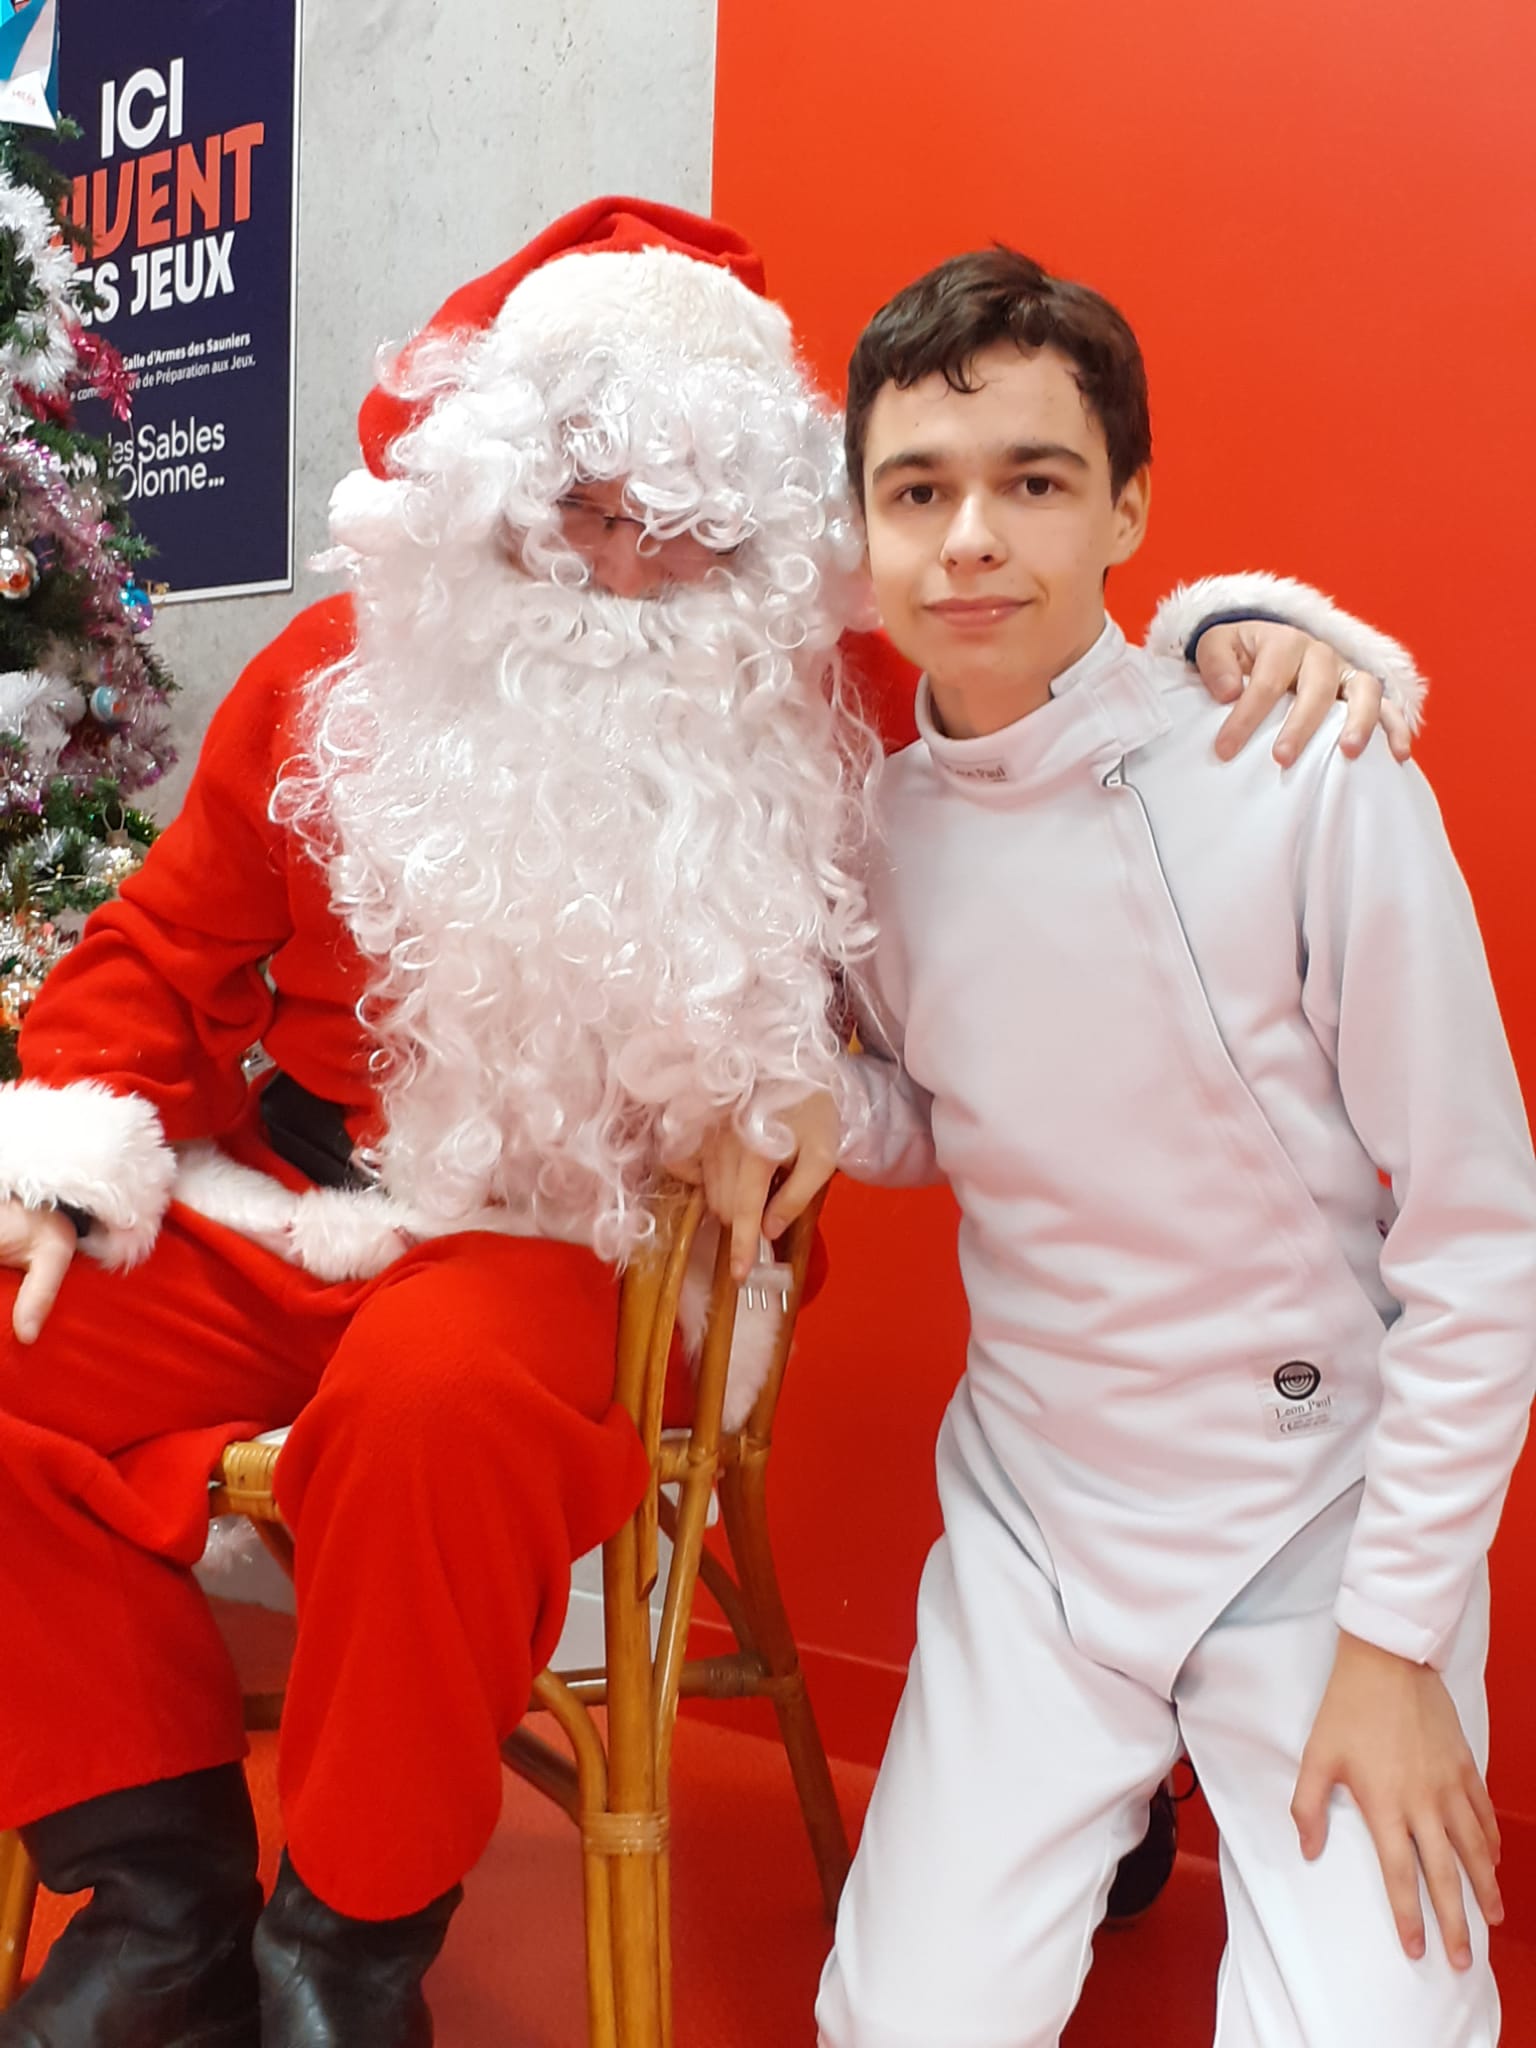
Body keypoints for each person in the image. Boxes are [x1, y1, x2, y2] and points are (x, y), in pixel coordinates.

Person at [0, 198, 1408, 2048]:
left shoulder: (832, 694)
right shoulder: (337, 677)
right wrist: (66, 1154)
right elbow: (159, 948)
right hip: (294, 1202)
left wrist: (1245, 641)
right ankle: (153, 1898)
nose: (628, 568)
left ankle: (341, 1946)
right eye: (586, 509)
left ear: (761, 525)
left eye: (686, 519)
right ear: (495, 493)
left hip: (591, 1239)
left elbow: (1065, 713)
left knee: (436, 1411)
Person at [747, 247, 1536, 2048]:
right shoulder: (871, 829)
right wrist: (816, 1106)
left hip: (1313, 1518)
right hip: (1040, 1515)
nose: (970, 541)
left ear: (1128, 509)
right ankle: (1101, 1790)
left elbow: (1482, 1239)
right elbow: (947, 1110)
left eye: (1033, 481)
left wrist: (1399, 1641)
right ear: (864, 527)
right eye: (917, 493)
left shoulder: (1307, 762)